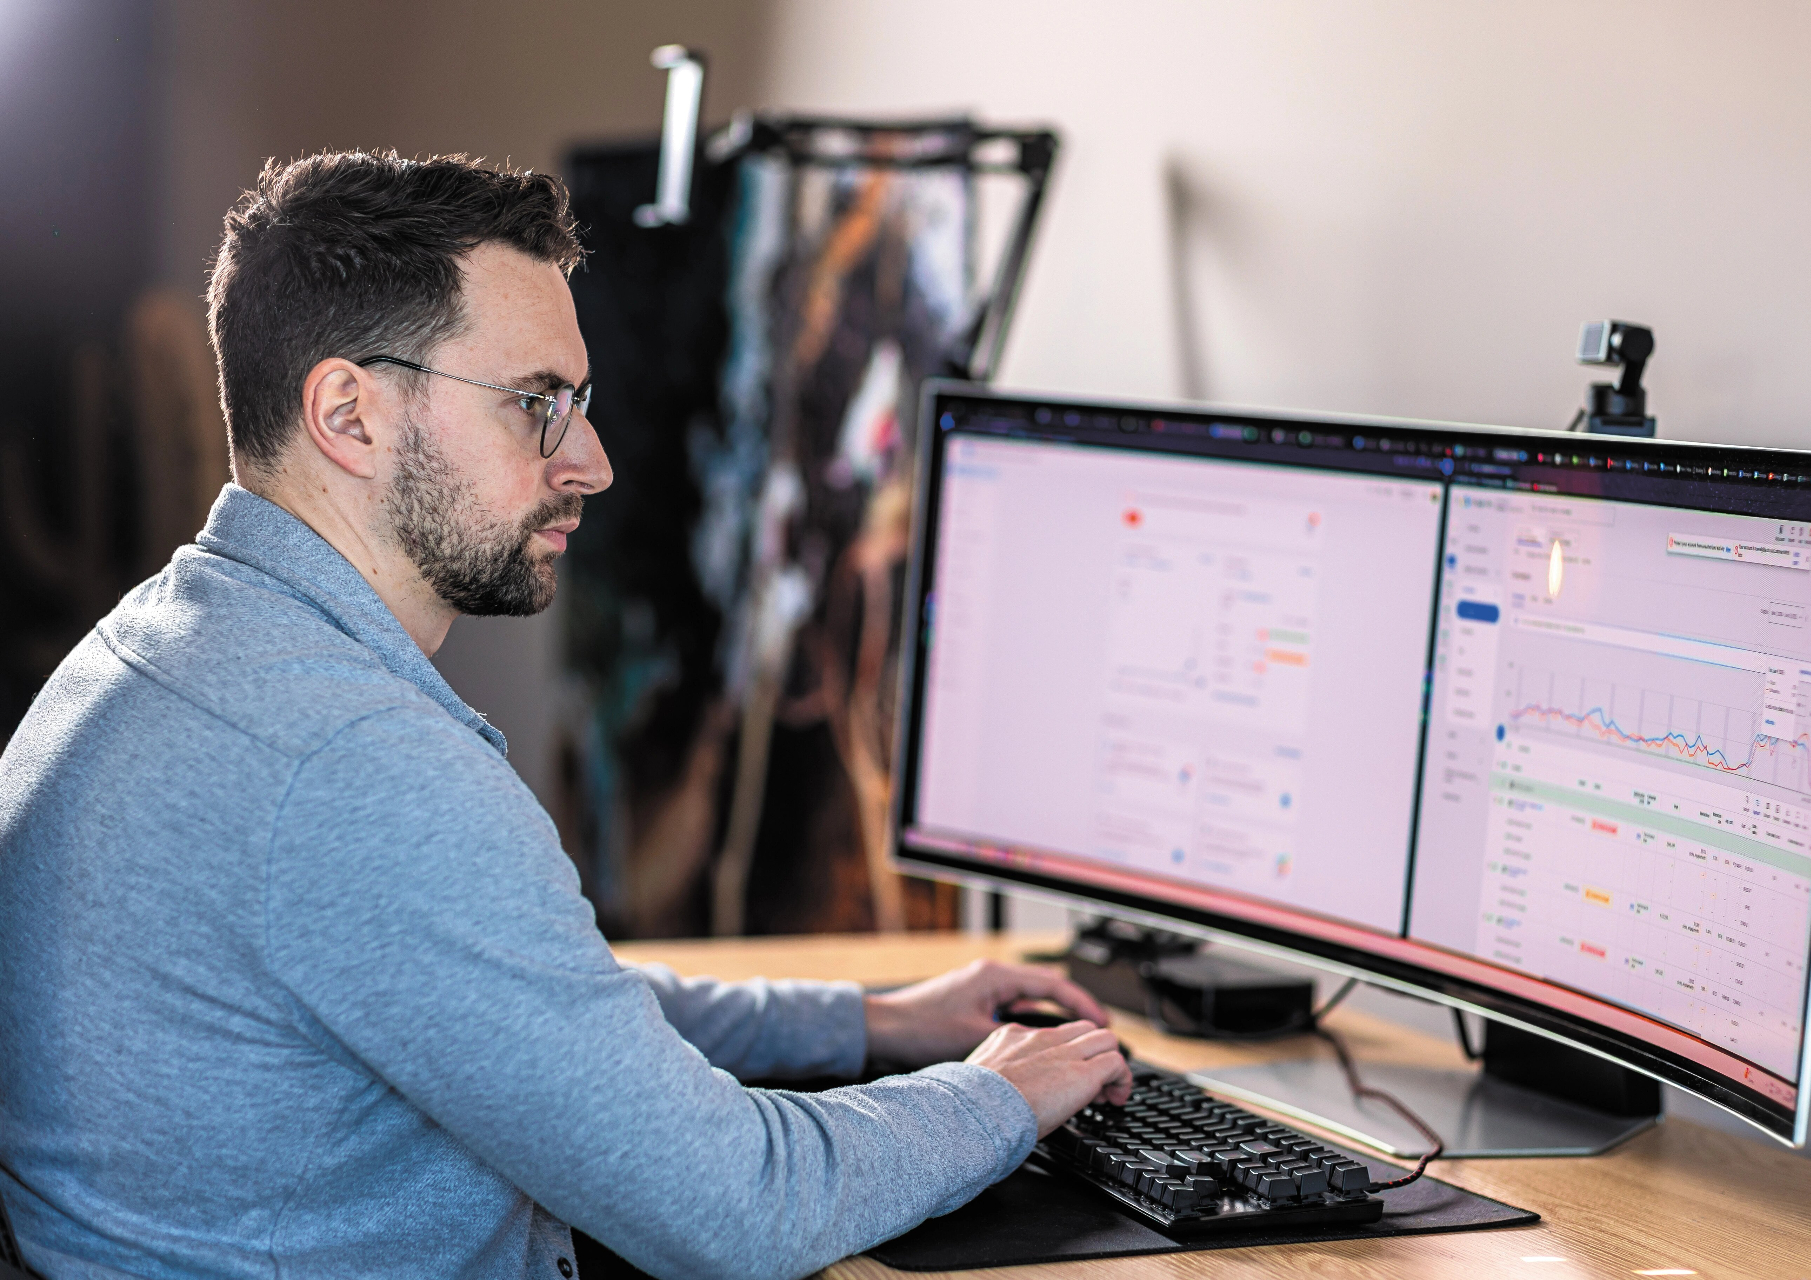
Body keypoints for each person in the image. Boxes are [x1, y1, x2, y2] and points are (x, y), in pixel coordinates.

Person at [0, 150, 1131, 1280]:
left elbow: (522, 1004)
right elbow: (743, 1205)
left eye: (578, 404)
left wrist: (865, 1021)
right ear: (350, 413)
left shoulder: (157, 646)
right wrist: (998, 1094)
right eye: (537, 403)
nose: (589, 460)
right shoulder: (358, 765)